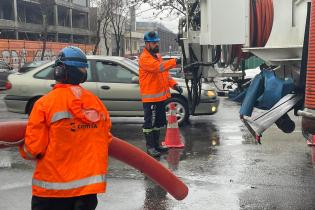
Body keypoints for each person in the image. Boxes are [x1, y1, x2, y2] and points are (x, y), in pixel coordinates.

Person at [19, 46, 112, 210]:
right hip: (87, 193)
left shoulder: (44, 105)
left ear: (59, 72)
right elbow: (106, 139)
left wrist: (21, 145)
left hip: (51, 192)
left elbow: (33, 150)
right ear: (83, 74)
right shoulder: (97, 104)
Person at [138, 31, 183, 157]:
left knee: (158, 123)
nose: (156, 44)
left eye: (157, 42)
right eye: (153, 43)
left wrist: (174, 84)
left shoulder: (157, 56)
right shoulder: (145, 58)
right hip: (150, 98)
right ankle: (150, 147)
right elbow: (160, 68)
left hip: (160, 98)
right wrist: (176, 61)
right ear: (147, 44)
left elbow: (164, 75)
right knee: (149, 124)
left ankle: (156, 145)